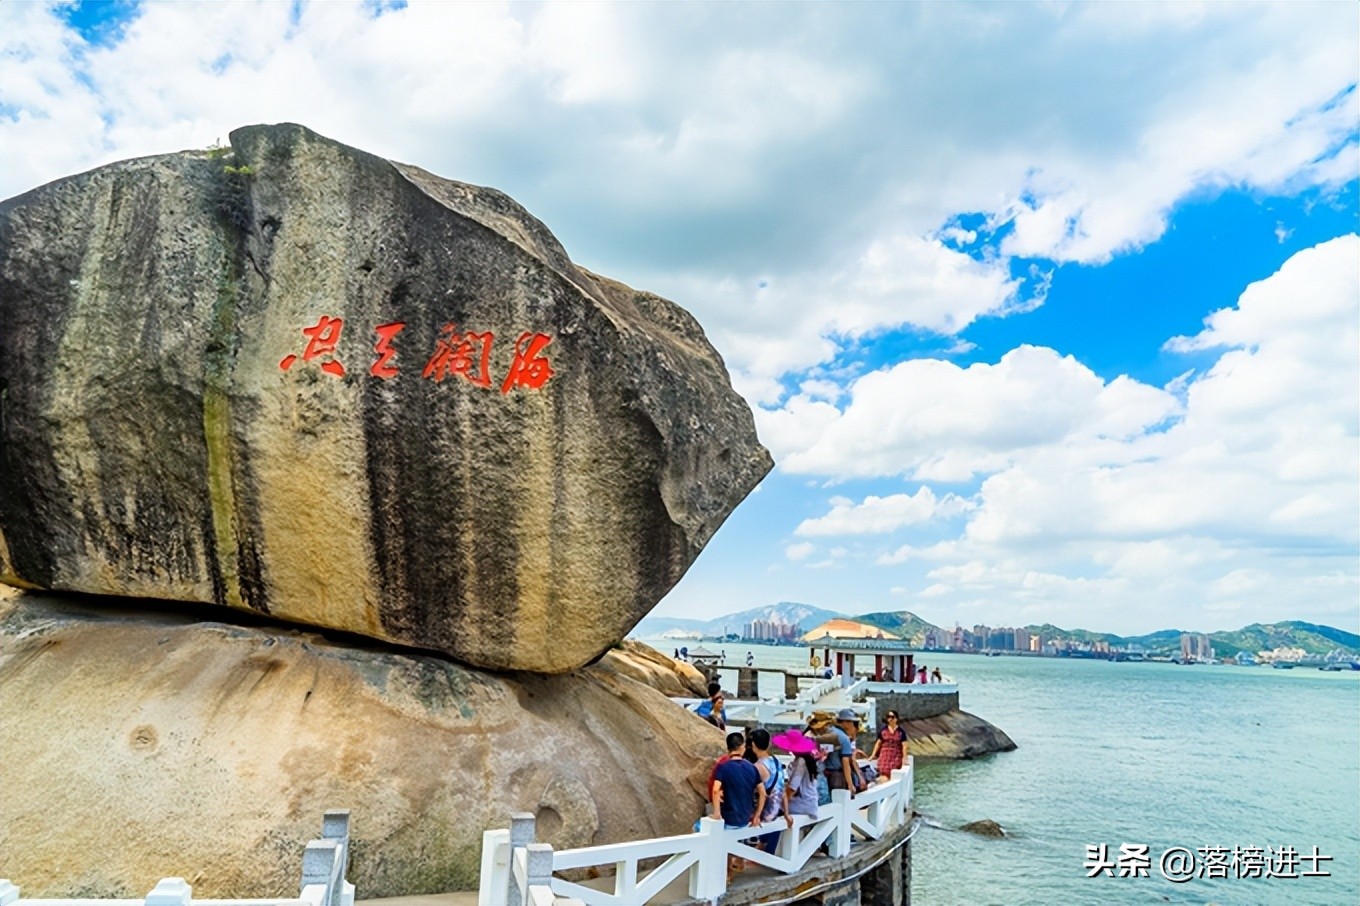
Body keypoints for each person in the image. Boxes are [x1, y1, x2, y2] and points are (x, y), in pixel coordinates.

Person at [711, 731, 764, 877]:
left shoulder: (724, 767)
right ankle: (736, 865)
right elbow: (763, 793)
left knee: (698, 828)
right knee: (737, 841)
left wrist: (717, 813)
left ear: (728, 747)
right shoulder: (752, 767)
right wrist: (757, 815)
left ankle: (726, 873)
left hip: (729, 816)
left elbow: (716, 790)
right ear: (742, 748)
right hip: (746, 817)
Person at [746, 728, 784, 853]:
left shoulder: (758, 766)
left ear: (753, 745)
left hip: (766, 807)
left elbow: (758, 791)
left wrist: (756, 814)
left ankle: (764, 855)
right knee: (773, 831)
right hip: (778, 803)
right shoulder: (775, 761)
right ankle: (767, 852)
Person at [772, 728, 821, 822]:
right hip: (810, 801)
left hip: (802, 802)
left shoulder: (800, 762)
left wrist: (783, 801)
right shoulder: (807, 759)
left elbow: (793, 787)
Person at [823, 709, 867, 797]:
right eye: (851, 722)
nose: (852, 725)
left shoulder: (828, 732)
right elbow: (845, 762)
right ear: (845, 722)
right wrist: (850, 785)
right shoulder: (843, 737)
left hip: (824, 773)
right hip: (837, 774)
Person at [868, 710, 907, 780]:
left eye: (892, 717)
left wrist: (904, 759)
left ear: (896, 719)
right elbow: (878, 743)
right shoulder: (883, 730)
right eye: (888, 717)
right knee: (883, 772)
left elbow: (904, 746)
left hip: (895, 756)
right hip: (884, 756)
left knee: (893, 772)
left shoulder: (901, 732)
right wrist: (872, 755)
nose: (890, 719)